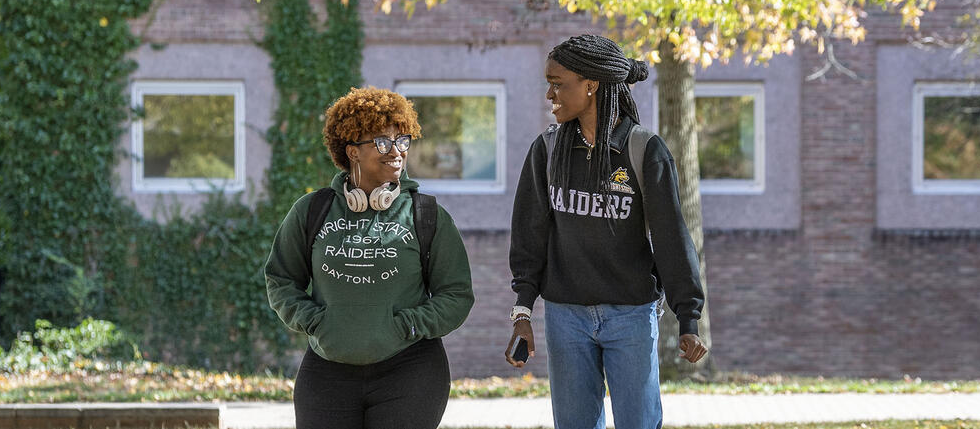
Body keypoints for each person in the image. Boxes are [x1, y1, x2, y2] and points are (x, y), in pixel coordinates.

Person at [506, 34, 709, 429]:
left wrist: (688, 317)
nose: (550, 93)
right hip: (566, 317)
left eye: (558, 82)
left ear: (591, 84)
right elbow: (529, 238)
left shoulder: (644, 150)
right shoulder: (546, 150)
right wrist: (522, 311)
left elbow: (671, 237)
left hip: (630, 316)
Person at [263, 86, 474, 429]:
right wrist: (315, 322)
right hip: (326, 373)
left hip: (410, 372)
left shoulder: (426, 214)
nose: (396, 151)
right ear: (352, 152)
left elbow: (456, 295)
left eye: (402, 140)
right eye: (382, 142)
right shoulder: (312, 211)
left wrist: (408, 325)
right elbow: (281, 279)